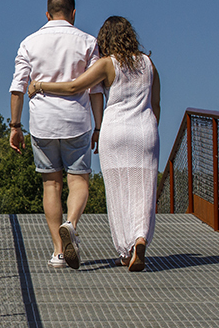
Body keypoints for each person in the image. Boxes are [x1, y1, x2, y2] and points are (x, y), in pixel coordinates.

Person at [28, 16, 161, 271]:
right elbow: (156, 105)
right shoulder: (148, 63)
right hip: (145, 130)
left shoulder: (107, 64)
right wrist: (151, 128)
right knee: (144, 189)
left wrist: (41, 85)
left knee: (119, 191)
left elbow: (75, 86)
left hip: (116, 131)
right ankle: (140, 239)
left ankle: (125, 251)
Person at [9, 0, 104, 269]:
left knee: (51, 184)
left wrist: (15, 126)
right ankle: (71, 223)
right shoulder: (88, 42)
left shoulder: (29, 43)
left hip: (43, 124)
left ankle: (58, 252)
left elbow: (17, 88)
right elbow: (96, 89)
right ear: (74, 14)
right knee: (79, 181)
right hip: (77, 121)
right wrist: (99, 126)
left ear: (47, 14)